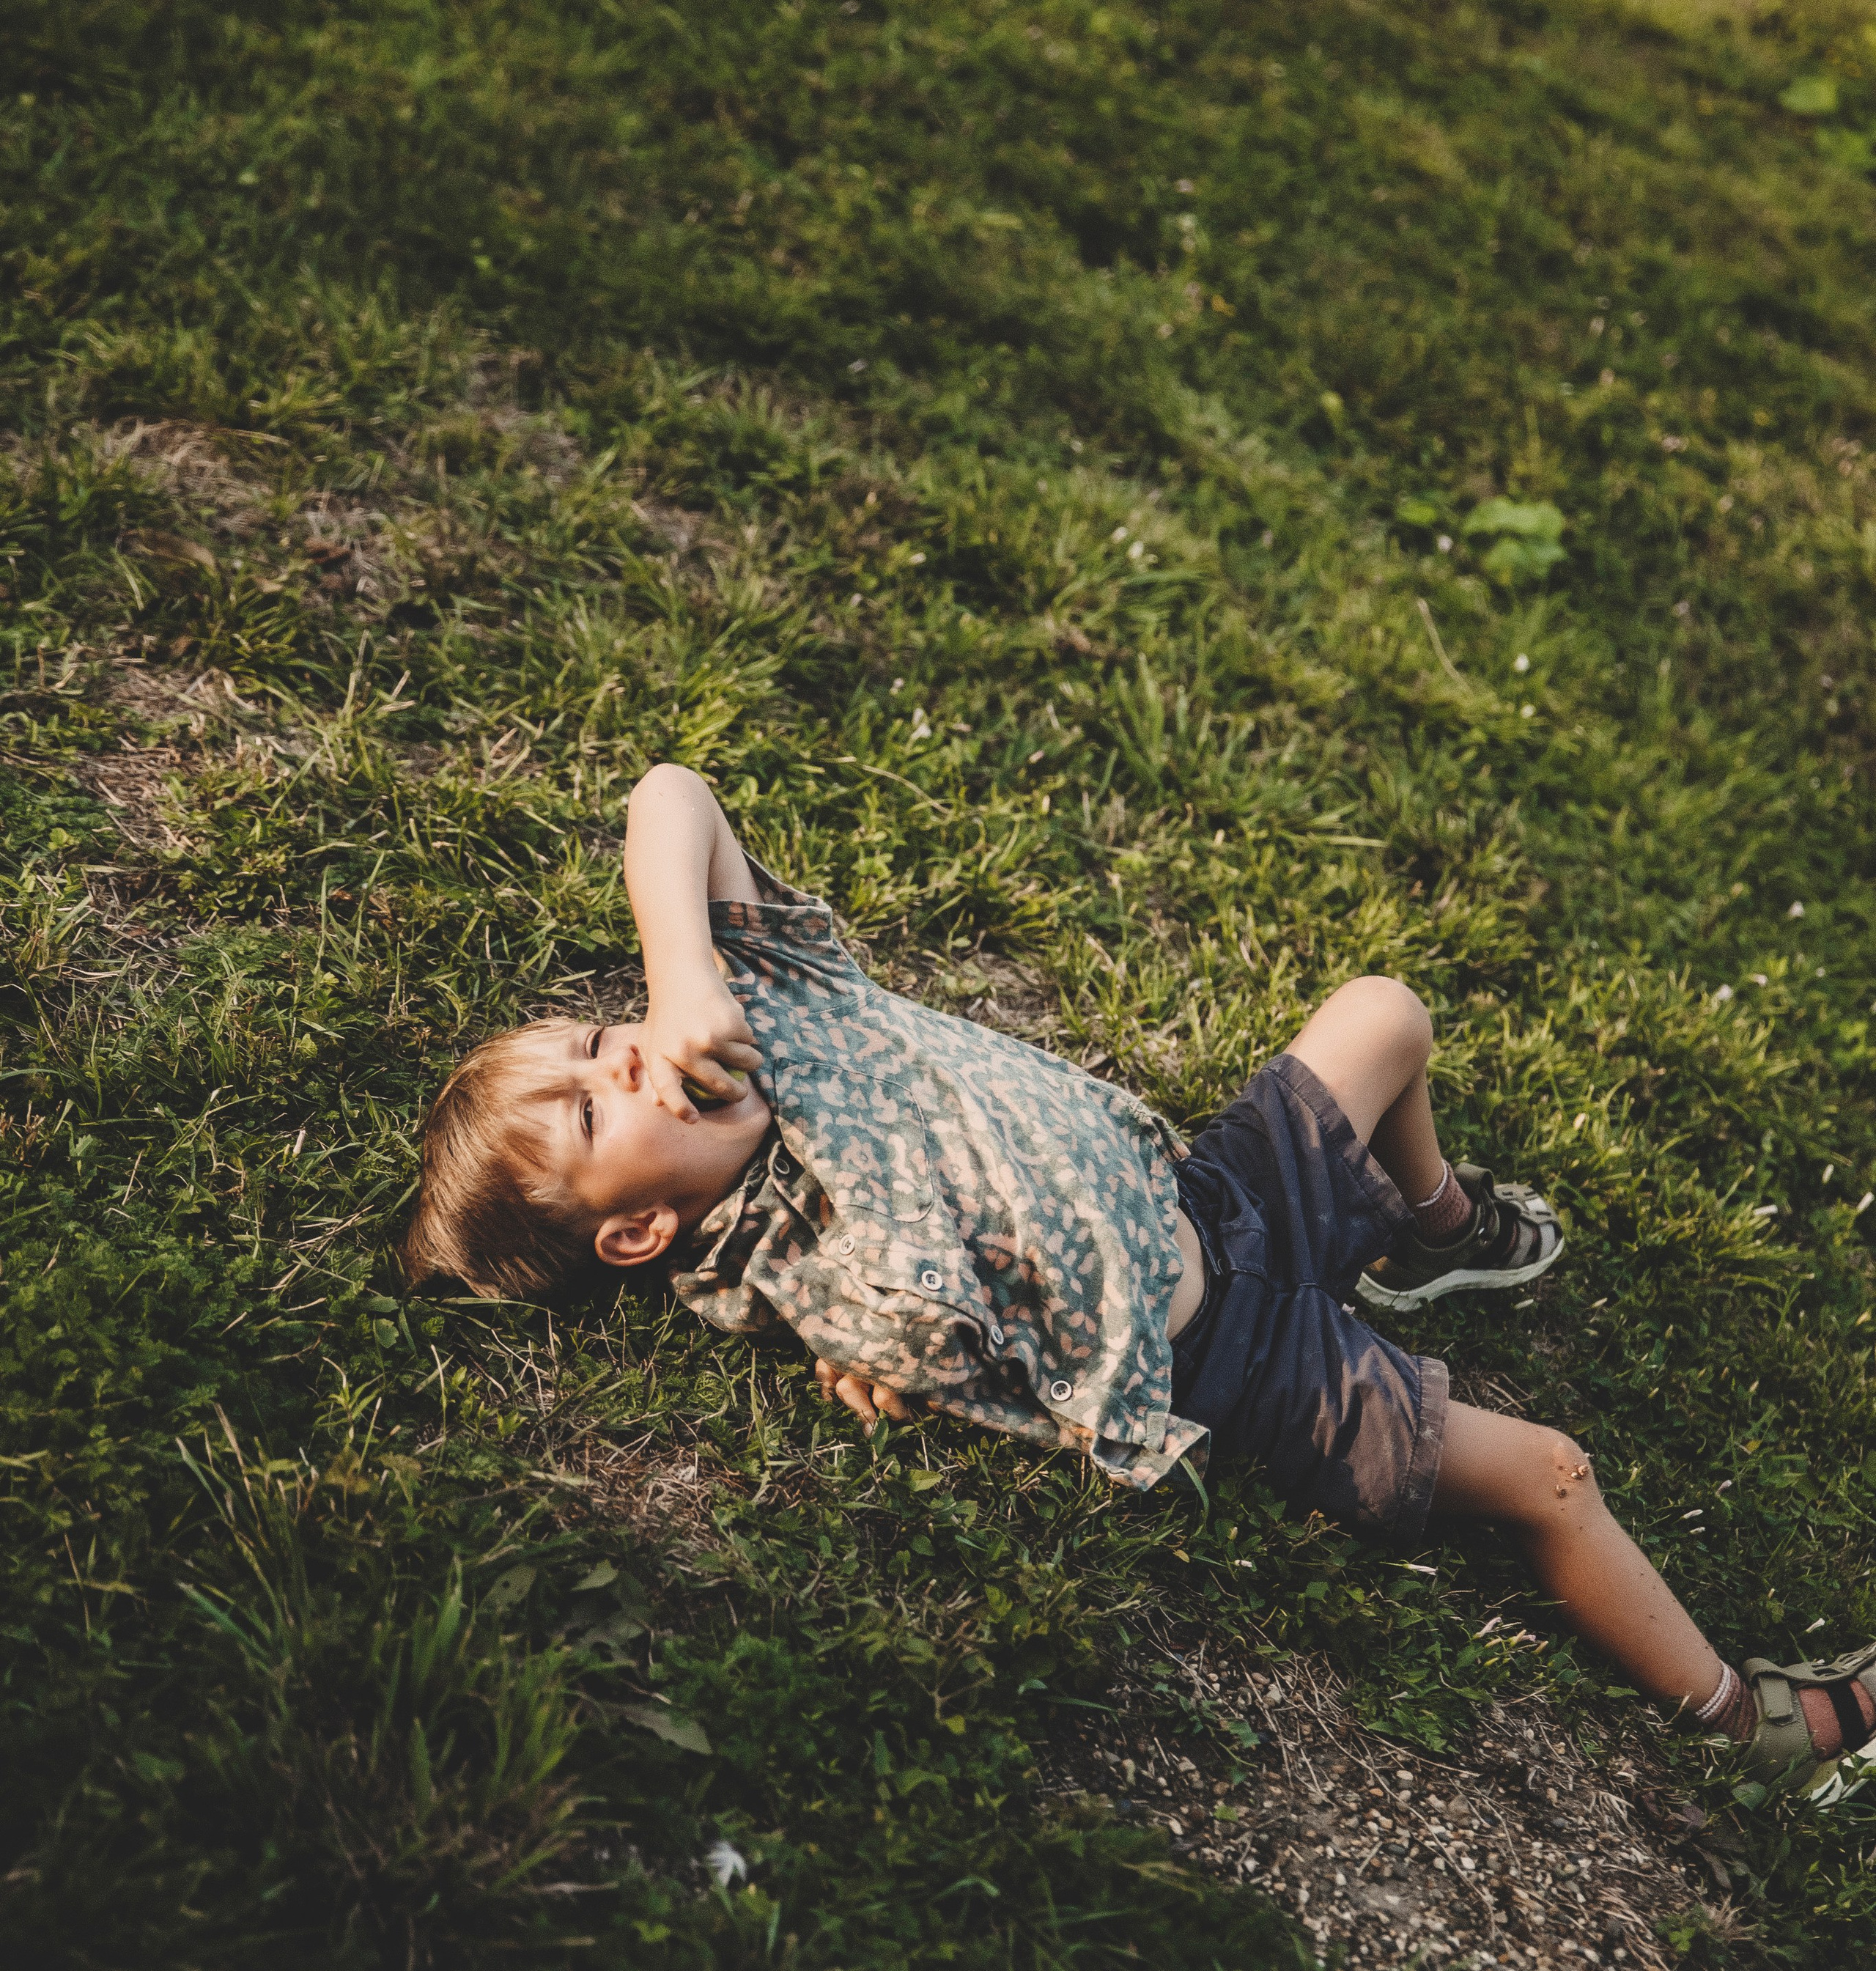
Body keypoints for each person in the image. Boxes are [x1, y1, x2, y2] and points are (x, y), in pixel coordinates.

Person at [404, 763, 1876, 1805]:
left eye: (598, 1038)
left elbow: (670, 792)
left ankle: (1429, 1230)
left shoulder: (762, 1005)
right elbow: (960, 1367)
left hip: (1210, 1200)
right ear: (634, 1237)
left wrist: (680, 966)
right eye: (597, 1111)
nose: (626, 1058)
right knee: (1550, 1475)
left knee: (1382, 1014)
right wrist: (877, 1364)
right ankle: (1741, 1723)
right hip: (1230, 1366)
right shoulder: (803, 1255)